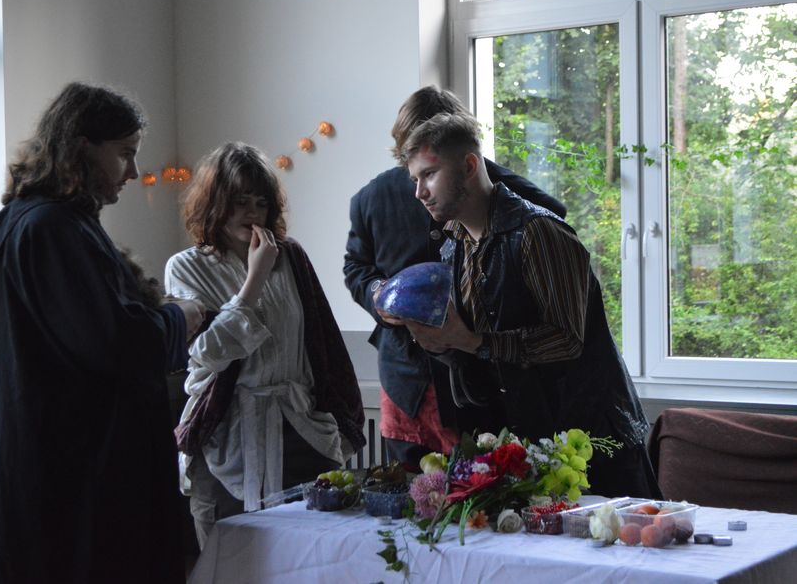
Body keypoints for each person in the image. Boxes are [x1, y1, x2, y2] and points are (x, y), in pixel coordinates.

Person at [0, 82, 205, 583]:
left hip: (62, 473)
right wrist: (182, 317)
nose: (133, 171)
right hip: (79, 481)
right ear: (83, 147)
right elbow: (114, 344)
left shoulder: (36, 223)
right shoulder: (52, 228)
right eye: (125, 154)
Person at [400, 112, 661, 499]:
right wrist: (439, 342)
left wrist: (473, 341)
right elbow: (478, 347)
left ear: (469, 165)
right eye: (415, 180)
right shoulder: (453, 244)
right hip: (522, 443)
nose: (420, 192)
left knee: (632, 538)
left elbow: (566, 339)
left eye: (429, 174)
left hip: (593, 444)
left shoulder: (538, 233)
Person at [343, 85, 567, 468]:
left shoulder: (492, 180)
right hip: (404, 375)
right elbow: (356, 267)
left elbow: (551, 214)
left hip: (480, 374)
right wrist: (378, 294)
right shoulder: (370, 197)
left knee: (482, 482)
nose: (422, 186)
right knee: (408, 487)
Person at [166, 142, 365, 549]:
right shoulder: (186, 266)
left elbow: (321, 342)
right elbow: (207, 353)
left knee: (315, 553)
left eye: (261, 202)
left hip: (300, 427)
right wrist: (254, 279)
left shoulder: (290, 258)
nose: (253, 213)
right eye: (240, 201)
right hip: (229, 436)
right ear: (216, 203)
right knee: (232, 558)